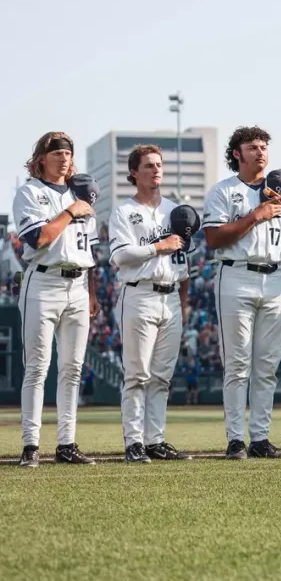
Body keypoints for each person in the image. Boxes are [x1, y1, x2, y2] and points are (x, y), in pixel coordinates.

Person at [202, 126, 281, 460]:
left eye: (263, 146)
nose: (260, 152)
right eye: (252, 147)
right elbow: (214, 239)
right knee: (237, 364)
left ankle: (260, 438)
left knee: (267, 365)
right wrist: (256, 215)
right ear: (237, 154)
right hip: (236, 275)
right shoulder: (223, 190)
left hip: (274, 278)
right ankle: (235, 439)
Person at [12, 132, 101, 468]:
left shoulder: (82, 195)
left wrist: (91, 293)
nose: (64, 158)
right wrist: (70, 211)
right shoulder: (31, 192)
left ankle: (66, 444)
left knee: (72, 369)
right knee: (36, 369)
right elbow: (37, 238)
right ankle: (31, 446)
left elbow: (89, 250)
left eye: (67, 153)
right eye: (57, 153)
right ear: (41, 159)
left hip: (78, 286)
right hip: (42, 283)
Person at [108, 144, 192, 463]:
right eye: (148, 165)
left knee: (161, 376)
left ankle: (154, 439)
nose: (156, 169)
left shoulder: (176, 211)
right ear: (134, 173)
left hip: (170, 295)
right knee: (137, 374)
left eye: (159, 164)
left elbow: (184, 263)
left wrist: (181, 302)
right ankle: (133, 442)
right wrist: (159, 246)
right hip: (138, 293)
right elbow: (120, 256)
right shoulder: (123, 212)